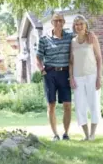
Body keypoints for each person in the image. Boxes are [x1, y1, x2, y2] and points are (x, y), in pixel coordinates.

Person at [36, 12, 73, 141]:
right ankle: (55, 134)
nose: (58, 23)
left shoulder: (69, 37)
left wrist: (90, 36)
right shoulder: (44, 39)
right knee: (51, 105)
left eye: (61, 21)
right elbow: (38, 57)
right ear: (52, 22)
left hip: (65, 74)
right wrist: (42, 70)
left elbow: (82, 35)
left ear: (64, 22)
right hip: (50, 74)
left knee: (67, 104)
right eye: (56, 21)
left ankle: (66, 134)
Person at [69, 15, 102, 141]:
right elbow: (71, 62)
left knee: (94, 105)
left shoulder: (92, 38)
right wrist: (71, 77)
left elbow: (99, 58)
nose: (79, 26)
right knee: (80, 106)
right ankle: (86, 135)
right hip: (78, 78)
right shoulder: (72, 42)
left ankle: (93, 134)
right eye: (76, 24)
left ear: (86, 25)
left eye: (81, 23)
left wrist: (99, 77)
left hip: (92, 76)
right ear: (74, 26)